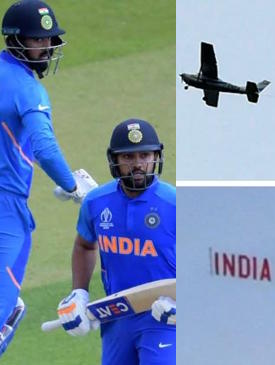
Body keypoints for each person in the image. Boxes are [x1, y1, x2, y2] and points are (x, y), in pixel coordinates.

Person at [0, 0, 90, 356]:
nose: (49, 46)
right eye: (41, 40)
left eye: (51, 39)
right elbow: (45, 147)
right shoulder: (28, 89)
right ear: (18, 39)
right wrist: (72, 186)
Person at [57, 119, 176, 365]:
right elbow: (85, 245)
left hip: (165, 318)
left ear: (156, 157)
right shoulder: (96, 202)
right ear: (115, 161)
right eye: (128, 158)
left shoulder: (175, 204)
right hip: (116, 318)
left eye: (145, 155)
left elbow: (210, 259)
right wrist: (79, 293)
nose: (138, 164)